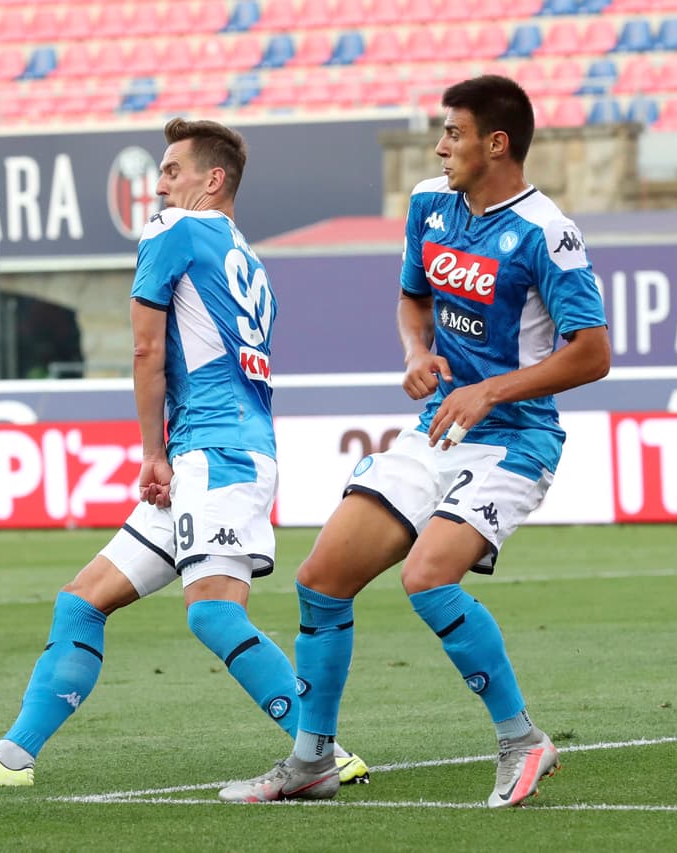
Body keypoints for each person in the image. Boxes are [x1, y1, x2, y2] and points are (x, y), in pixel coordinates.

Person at [0, 118, 368, 790]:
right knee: (81, 601)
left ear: (212, 180)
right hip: (222, 449)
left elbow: (146, 349)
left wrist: (150, 452)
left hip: (211, 454)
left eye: (171, 171)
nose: (158, 185)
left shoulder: (173, 231)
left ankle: (320, 750)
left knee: (213, 608)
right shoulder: (247, 257)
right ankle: (13, 756)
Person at [219, 75, 611, 807]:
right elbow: (412, 296)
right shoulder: (431, 204)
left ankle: (522, 740)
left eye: (453, 133)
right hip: (438, 426)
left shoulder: (546, 233)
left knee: (428, 576)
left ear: (496, 143)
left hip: (513, 440)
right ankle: (312, 759)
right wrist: (415, 353)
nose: (440, 145)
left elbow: (592, 352)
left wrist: (489, 388)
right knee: (321, 577)